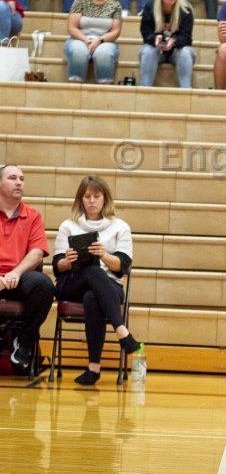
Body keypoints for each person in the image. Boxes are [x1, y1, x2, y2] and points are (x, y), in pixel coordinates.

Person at [52, 175, 140, 386]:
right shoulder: (68, 226)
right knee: (92, 270)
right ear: (80, 199)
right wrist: (67, 261)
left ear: (105, 198)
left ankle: (93, 369)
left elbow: (123, 266)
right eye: (87, 196)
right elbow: (56, 266)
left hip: (108, 285)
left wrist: (104, 256)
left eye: (96, 196)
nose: (91, 200)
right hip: (72, 283)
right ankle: (122, 331)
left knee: (93, 297)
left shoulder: (120, 227)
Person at [0, 165, 55, 370]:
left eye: (21, 179)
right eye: (12, 178)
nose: (19, 182)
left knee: (43, 284)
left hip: (17, 278)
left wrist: (16, 272)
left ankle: (24, 342)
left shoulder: (33, 216)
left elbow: (37, 252)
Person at [64, 0, 122, 84]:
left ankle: (104, 88)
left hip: (105, 41)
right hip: (79, 39)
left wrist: (99, 40)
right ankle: (74, 87)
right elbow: (72, 28)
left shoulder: (115, 6)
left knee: (104, 54)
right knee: (79, 52)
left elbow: (116, 32)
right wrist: (87, 40)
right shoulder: (79, 2)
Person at [139, 0, 196, 88]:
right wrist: (155, 39)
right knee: (148, 51)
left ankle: (186, 90)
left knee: (185, 52)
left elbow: (187, 38)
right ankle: (144, 88)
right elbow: (146, 33)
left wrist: (173, 42)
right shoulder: (150, 6)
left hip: (177, 50)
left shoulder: (185, 9)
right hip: (156, 49)